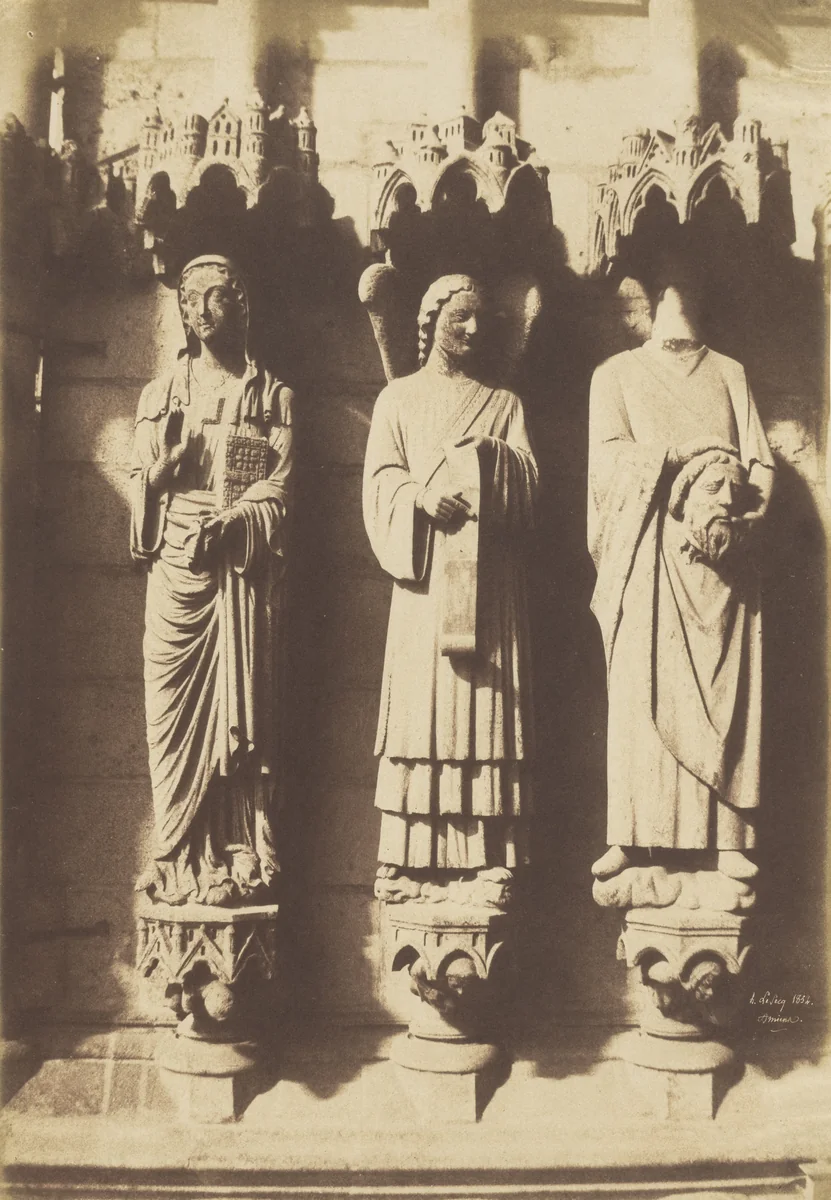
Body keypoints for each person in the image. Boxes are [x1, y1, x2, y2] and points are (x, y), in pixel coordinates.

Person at [588, 280, 775, 886]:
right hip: (646, 554)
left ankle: (728, 838)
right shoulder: (616, 374)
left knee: (726, 697)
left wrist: (752, 514)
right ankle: (630, 834)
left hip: (723, 564)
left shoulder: (729, 372)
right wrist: (676, 456)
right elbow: (605, 465)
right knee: (639, 690)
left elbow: (760, 462)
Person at [362, 274, 539, 896]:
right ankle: (407, 857)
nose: (471, 328)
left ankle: (487, 854)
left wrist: (493, 457)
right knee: (422, 718)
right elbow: (380, 481)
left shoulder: (505, 404)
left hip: (488, 582)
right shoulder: (398, 399)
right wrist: (419, 496)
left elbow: (530, 485)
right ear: (430, 321)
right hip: (425, 583)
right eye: (459, 316)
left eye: (479, 318)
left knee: (484, 714)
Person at [131, 255, 293, 906]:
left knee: (239, 710)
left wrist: (236, 521)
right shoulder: (159, 395)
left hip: (238, 570)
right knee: (171, 713)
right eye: (200, 298)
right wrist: (163, 472)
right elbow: (139, 497)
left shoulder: (272, 396)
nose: (213, 309)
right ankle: (177, 854)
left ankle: (238, 851)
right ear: (186, 311)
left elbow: (283, 488)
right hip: (177, 565)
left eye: (225, 295)